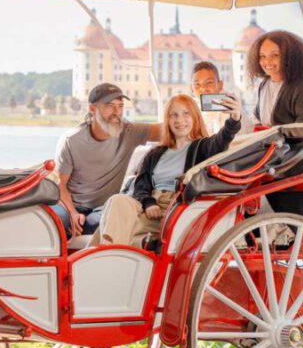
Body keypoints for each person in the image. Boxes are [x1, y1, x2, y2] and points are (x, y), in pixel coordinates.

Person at [93, 93, 242, 247]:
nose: (179, 120)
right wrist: (149, 203)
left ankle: (108, 255)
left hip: (176, 206)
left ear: (195, 117)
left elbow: (221, 140)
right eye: (173, 115)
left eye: (186, 114)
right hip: (149, 205)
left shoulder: (202, 147)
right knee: (116, 201)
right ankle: (111, 253)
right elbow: (141, 185)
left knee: (116, 224)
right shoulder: (155, 153)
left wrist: (234, 119)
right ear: (168, 120)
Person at [52, 83, 161, 238]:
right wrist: (73, 213)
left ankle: (86, 228)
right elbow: (60, 185)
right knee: (57, 221)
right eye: (110, 106)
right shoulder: (72, 140)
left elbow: (167, 130)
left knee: (108, 218)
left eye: (120, 106)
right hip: (72, 204)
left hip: (104, 208)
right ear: (92, 109)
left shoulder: (129, 132)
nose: (117, 112)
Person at [245, 29, 303, 217]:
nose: (267, 61)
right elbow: (259, 120)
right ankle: (257, 221)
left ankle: (289, 223)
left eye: (275, 55)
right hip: (279, 148)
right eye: (262, 56)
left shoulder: (301, 86)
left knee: (267, 172)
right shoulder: (264, 85)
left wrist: (274, 134)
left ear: (289, 56)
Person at [191, 60, 253, 135]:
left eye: (209, 82)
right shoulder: (190, 109)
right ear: (192, 88)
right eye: (197, 84)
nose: (203, 88)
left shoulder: (230, 107)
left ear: (220, 85)